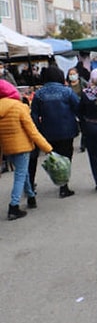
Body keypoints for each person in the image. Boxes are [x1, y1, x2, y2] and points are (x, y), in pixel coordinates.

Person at [0, 79, 53, 220]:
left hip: (7, 148)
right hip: (22, 147)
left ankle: (31, 197)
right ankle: (14, 206)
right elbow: (32, 131)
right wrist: (47, 148)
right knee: (20, 176)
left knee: (23, 174)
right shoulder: (19, 107)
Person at [30, 65, 80, 198]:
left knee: (54, 157)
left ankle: (58, 179)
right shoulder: (67, 92)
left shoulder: (39, 94)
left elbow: (34, 115)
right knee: (66, 157)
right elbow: (78, 108)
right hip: (67, 130)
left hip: (48, 132)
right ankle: (64, 186)